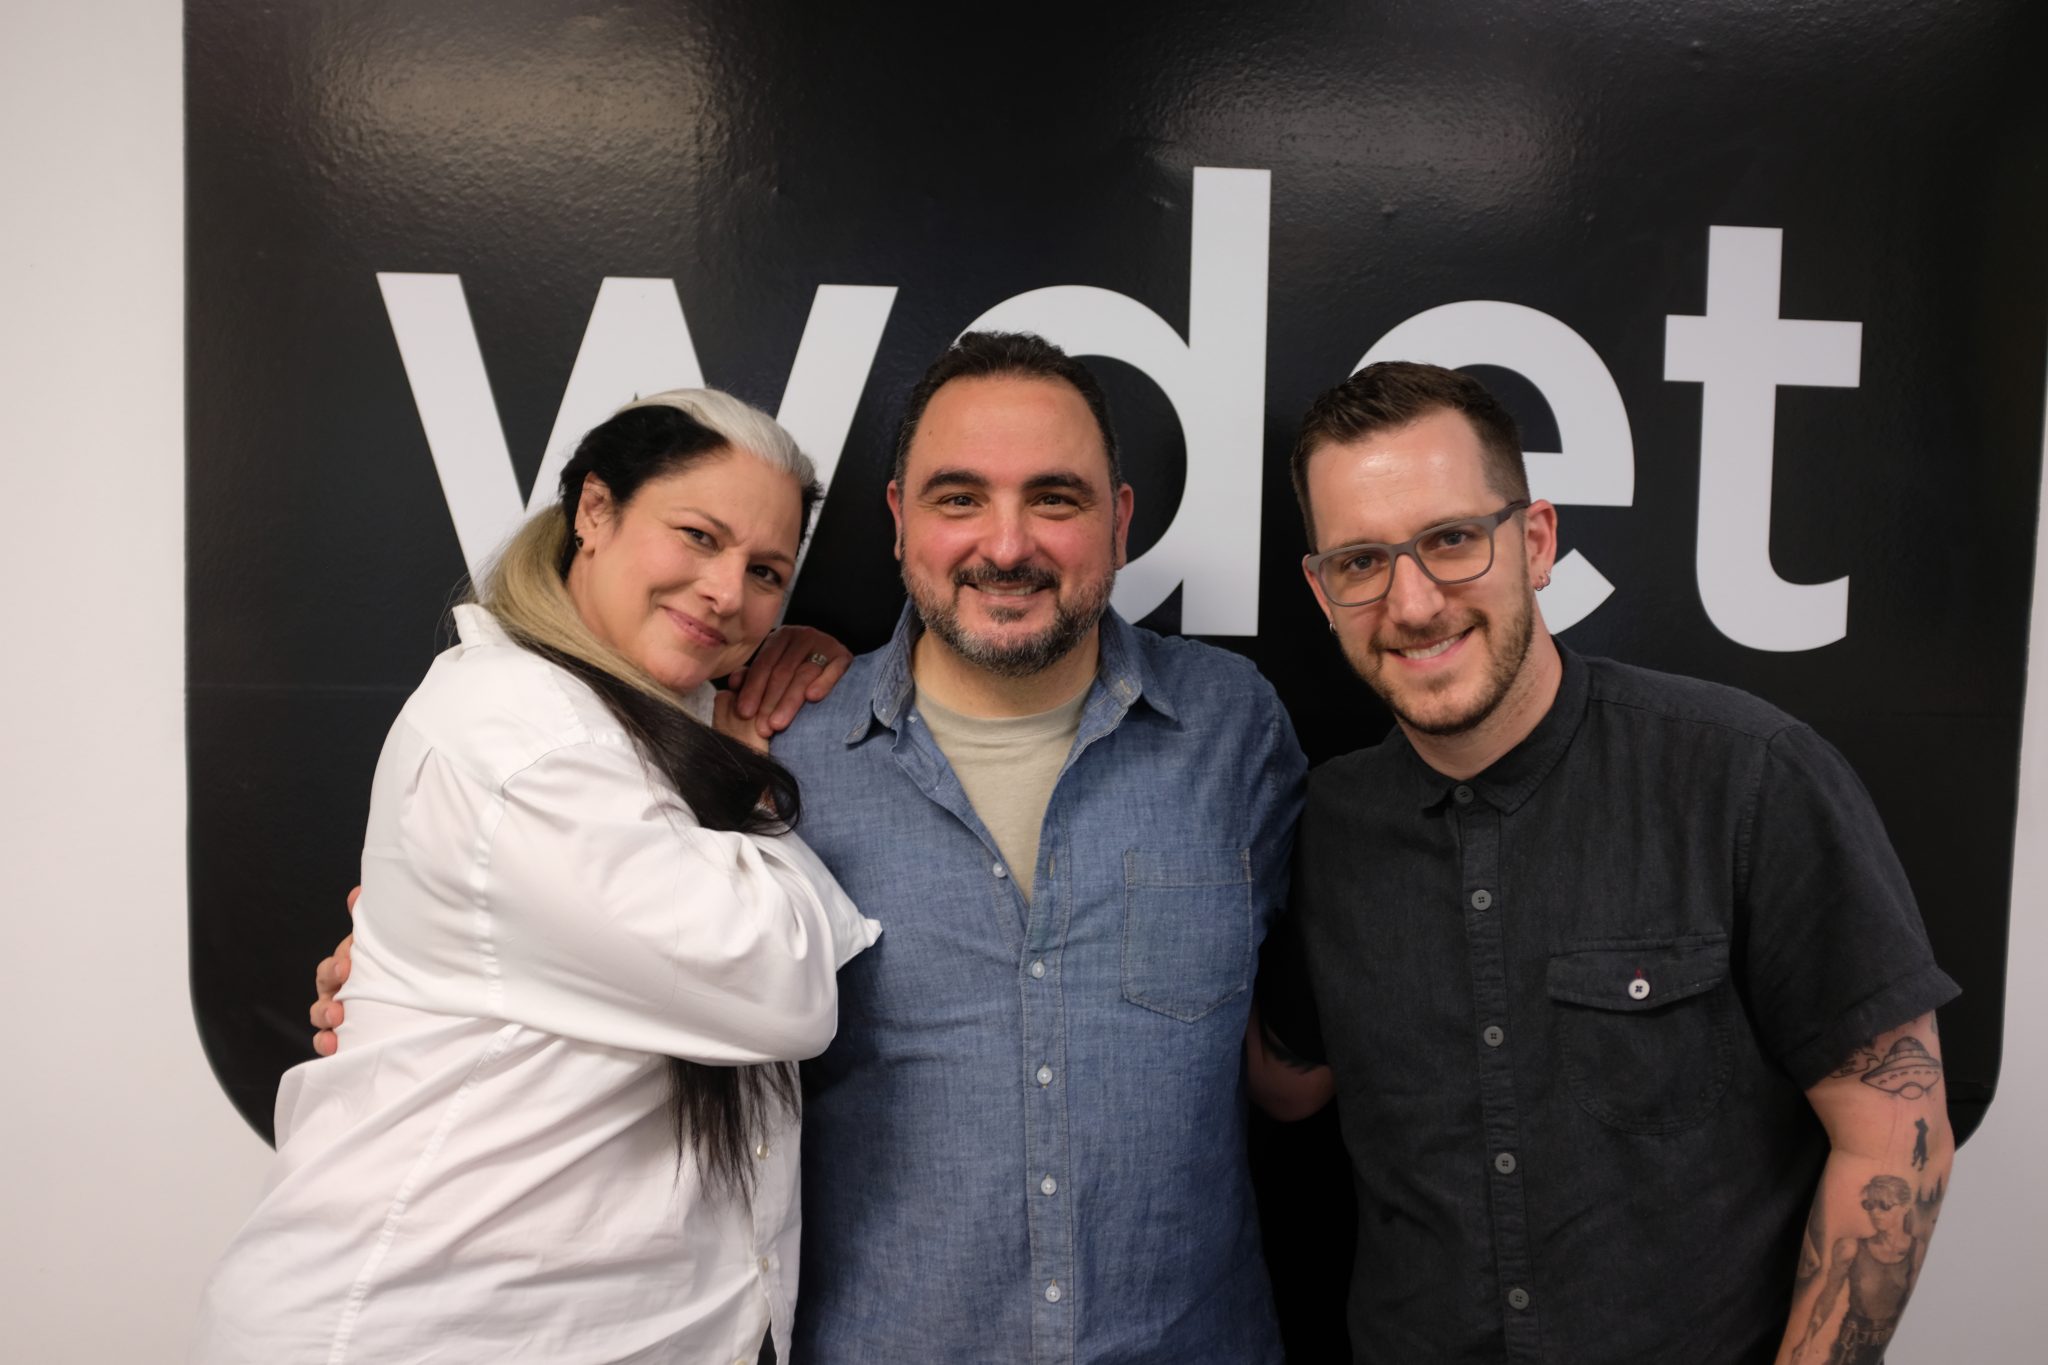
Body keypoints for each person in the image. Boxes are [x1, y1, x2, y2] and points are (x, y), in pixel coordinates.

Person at [309, 333, 1304, 1360]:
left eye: (1054, 498)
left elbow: (1295, 1041)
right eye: (958, 498)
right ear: (896, 523)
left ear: (1120, 521)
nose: (1005, 545)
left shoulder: (1236, 731)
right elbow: (556, 926)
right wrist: (394, 969)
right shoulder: (764, 755)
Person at [1248, 361, 1959, 1364]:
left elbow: (1893, 1136)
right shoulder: (1323, 824)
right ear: (1322, 591)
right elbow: (1288, 1085)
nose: (1410, 603)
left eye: (1451, 540)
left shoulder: (1745, 779)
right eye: (1361, 561)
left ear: (1533, 541)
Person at [200, 391, 880, 1364]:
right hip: (417, 1331)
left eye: (765, 572)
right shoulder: (523, 738)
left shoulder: (625, 728)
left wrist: (771, 692)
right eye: (696, 535)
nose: (729, 592)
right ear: (594, 514)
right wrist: (750, 765)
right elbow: (777, 980)